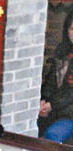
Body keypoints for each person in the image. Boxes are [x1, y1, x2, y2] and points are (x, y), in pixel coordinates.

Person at [38, 9, 73, 143]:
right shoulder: (63, 51)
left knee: (53, 135)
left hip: (69, 114)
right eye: (72, 29)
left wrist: (52, 106)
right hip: (56, 108)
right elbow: (51, 81)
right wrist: (43, 100)